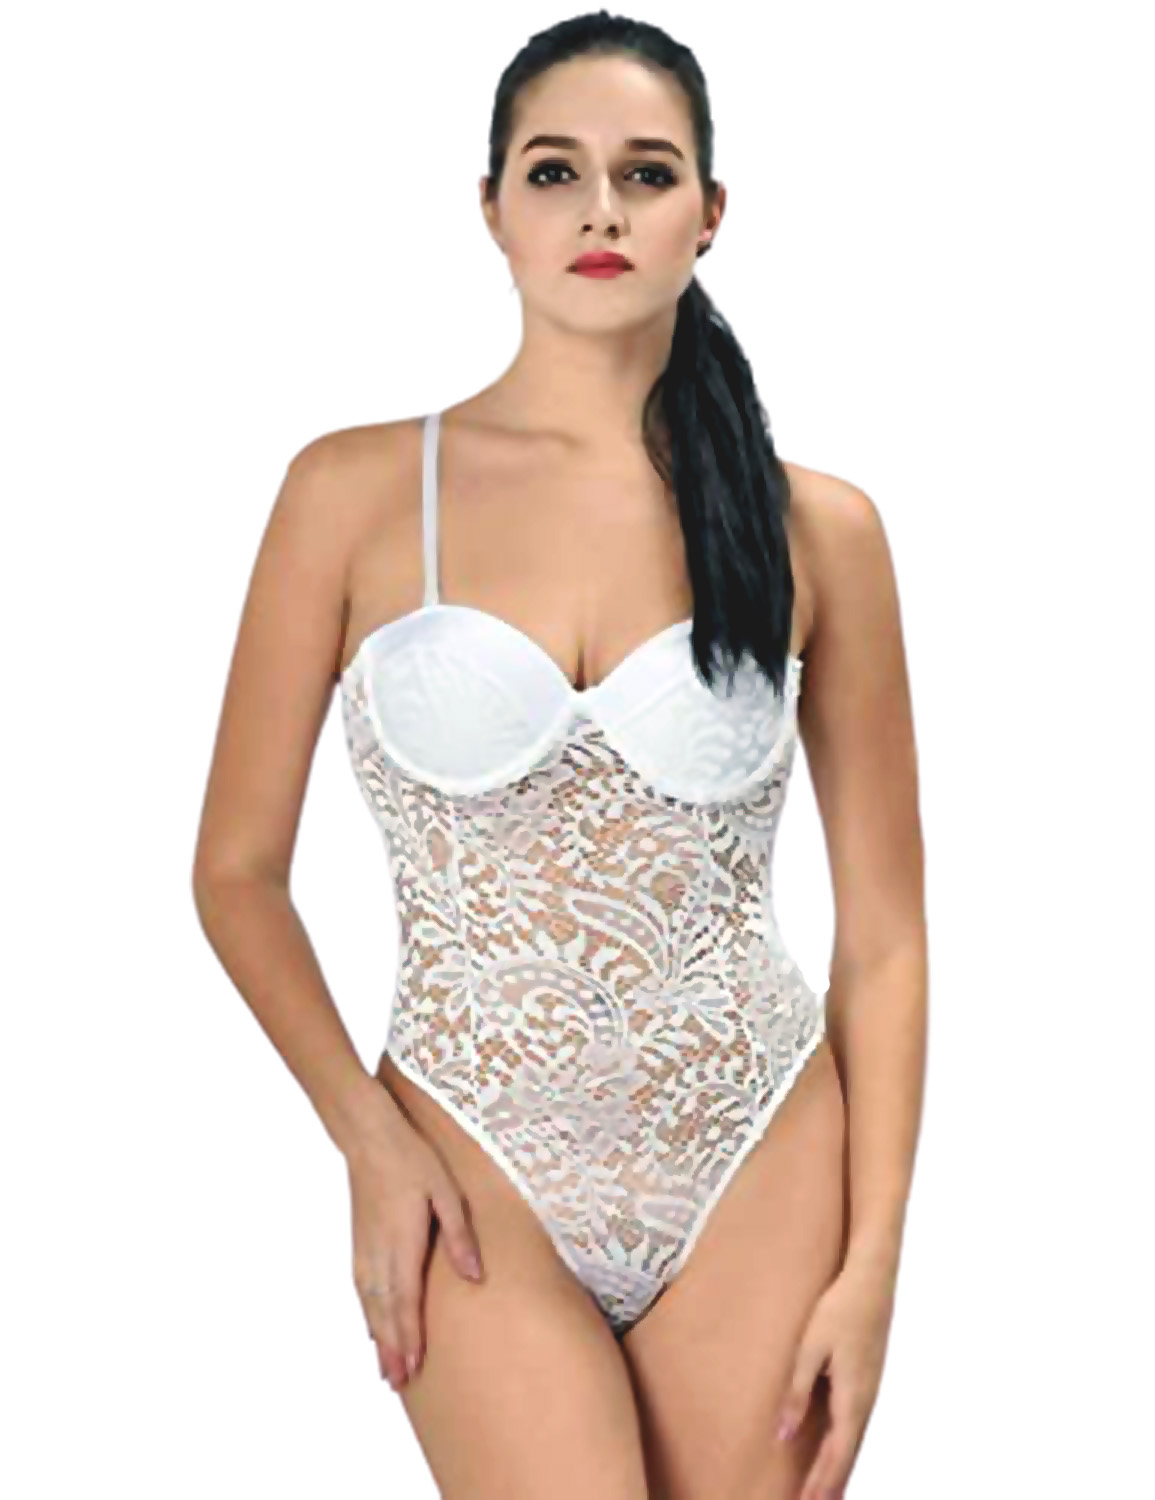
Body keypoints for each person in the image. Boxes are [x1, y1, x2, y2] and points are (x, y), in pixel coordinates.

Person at [192, 11, 927, 1498]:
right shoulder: (352, 493)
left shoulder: (819, 529)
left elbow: (890, 937)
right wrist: (367, 1140)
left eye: (647, 174)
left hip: (758, 1144)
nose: (602, 211)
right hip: (469, 1153)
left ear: (710, 214)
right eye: (554, 172)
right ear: (491, 208)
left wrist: (874, 1271)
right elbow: (236, 873)